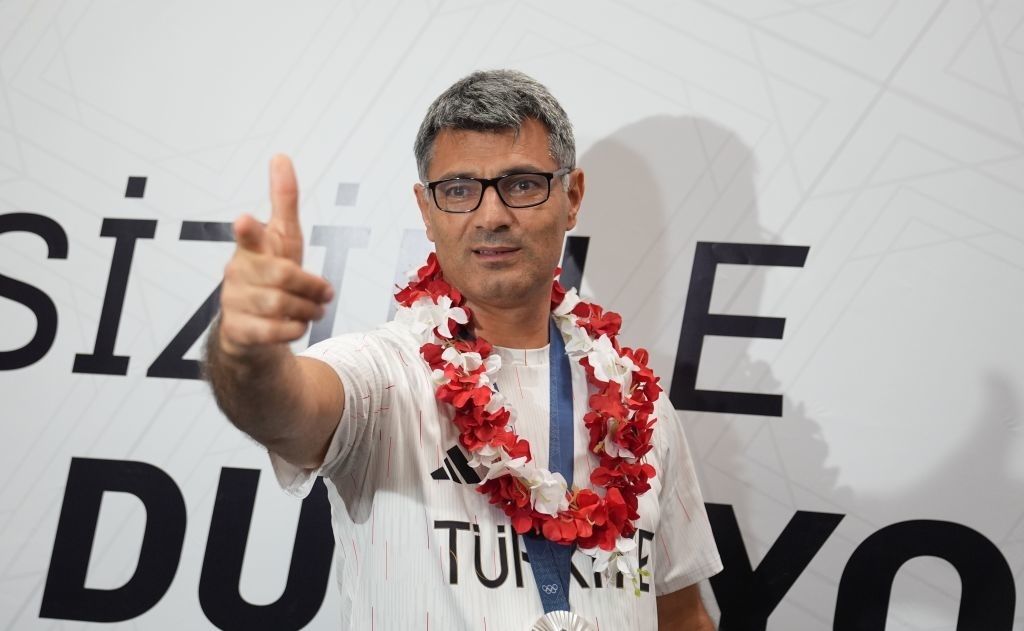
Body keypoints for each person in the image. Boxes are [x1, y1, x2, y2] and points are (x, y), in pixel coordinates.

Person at [204, 69, 722, 630]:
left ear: (571, 198)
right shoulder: (383, 376)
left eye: (522, 183)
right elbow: (281, 407)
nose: (492, 215)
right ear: (426, 211)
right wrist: (245, 350)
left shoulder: (640, 407)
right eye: (459, 190)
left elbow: (682, 616)